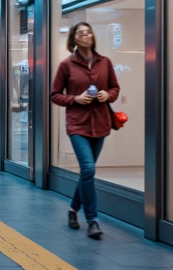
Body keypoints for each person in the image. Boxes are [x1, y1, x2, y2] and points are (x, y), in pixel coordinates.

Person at [50, 21, 121, 239]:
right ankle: (93, 220)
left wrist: (108, 95)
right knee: (88, 169)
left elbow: (115, 88)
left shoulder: (105, 62)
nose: (86, 35)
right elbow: (54, 95)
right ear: (74, 38)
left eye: (89, 32)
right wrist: (75, 99)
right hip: (77, 124)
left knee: (86, 172)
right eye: (81, 33)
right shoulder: (66, 65)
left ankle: (73, 210)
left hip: (100, 124)